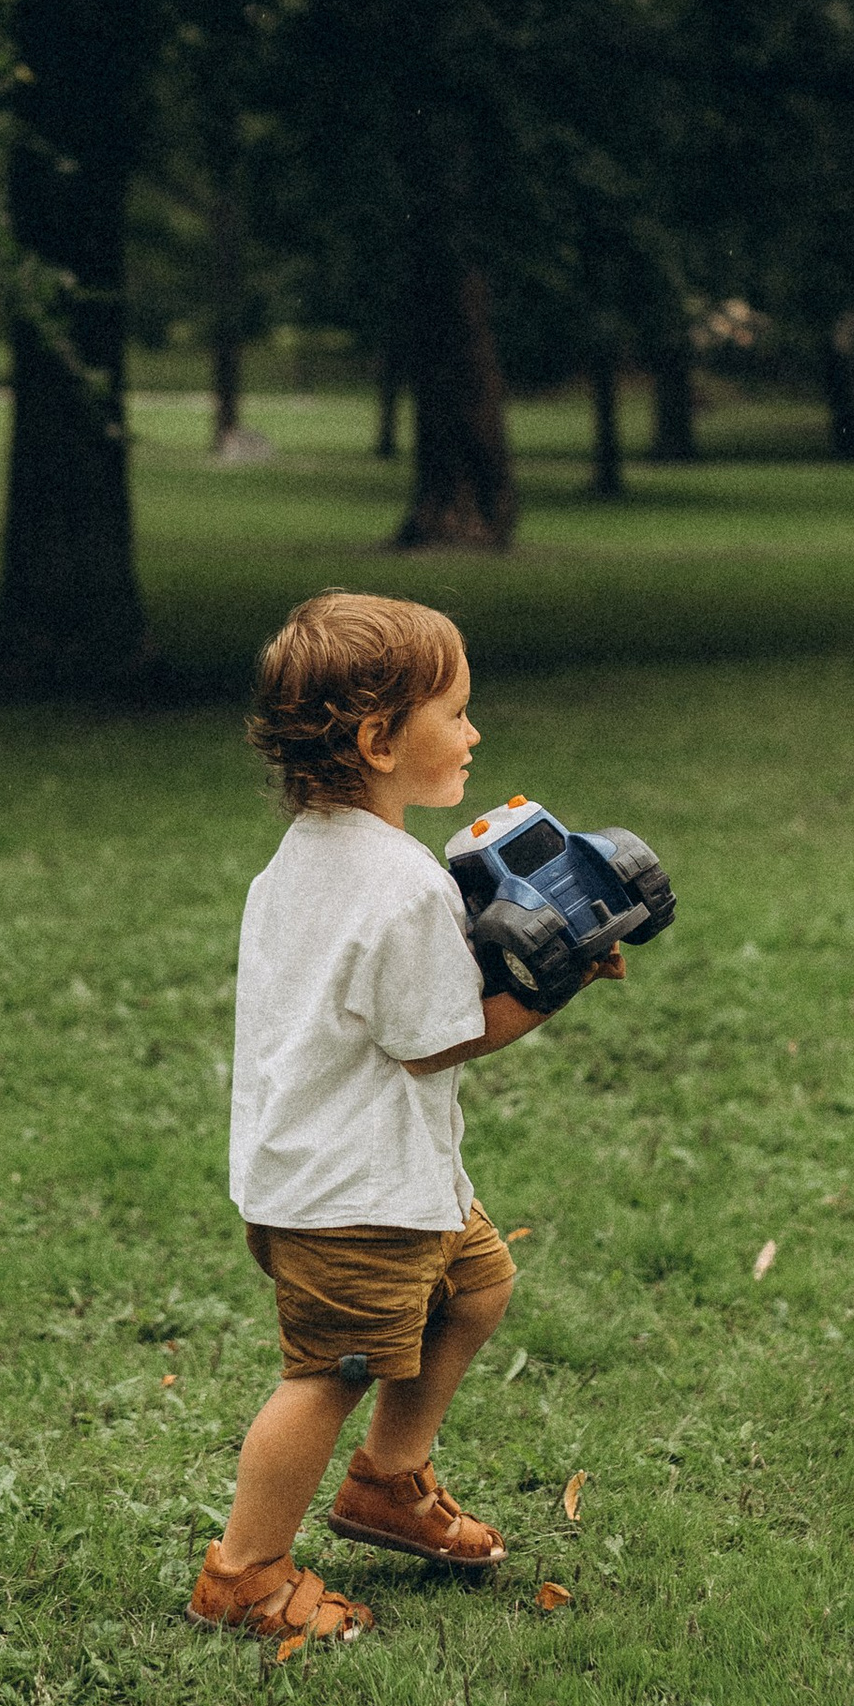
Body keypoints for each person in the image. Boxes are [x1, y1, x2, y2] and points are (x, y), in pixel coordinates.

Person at [189, 589, 619, 1645]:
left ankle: (387, 1483)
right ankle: (242, 1571)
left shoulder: (307, 853)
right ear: (381, 739)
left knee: (476, 1283)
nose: (472, 734)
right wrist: (551, 985)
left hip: (338, 1169)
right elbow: (440, 1034)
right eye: (455, 713)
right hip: (355, 1194)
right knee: (327, 1375)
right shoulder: (399, 884)